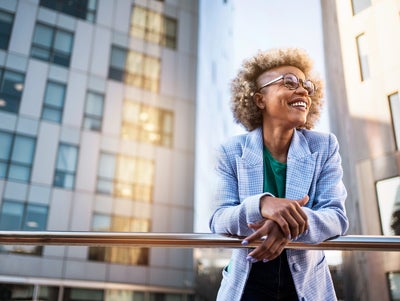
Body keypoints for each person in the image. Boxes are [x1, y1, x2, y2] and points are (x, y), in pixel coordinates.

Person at [209, 47, 349, 301]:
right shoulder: (230, 151)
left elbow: (336, 217)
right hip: (246, 285)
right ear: (259, 99)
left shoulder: (325, 146)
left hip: (306, 286)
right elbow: (219, 218)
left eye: (306, 85)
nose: (303, 90)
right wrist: (262, 205)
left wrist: (287, 223)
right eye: (289, 82)